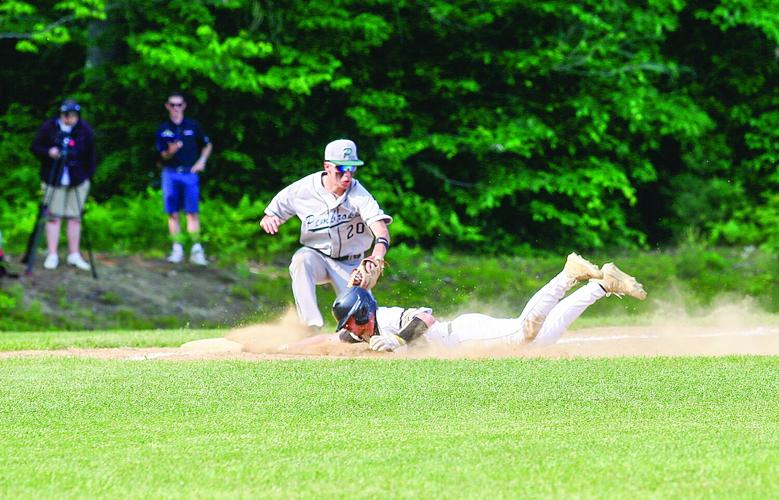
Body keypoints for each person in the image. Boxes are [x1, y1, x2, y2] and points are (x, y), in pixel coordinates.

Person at [287, 253, 647, 352]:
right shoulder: (360, 334)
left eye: (352, 321)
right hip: (466, 333)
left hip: (465, 337)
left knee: (528, 332)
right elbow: (328, 341)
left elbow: (426, 319)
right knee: (545, 337)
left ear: (364, 313)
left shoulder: (388, 319)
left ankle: (569, 274)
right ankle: (601, 286)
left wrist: (398, 339)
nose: (350, 329)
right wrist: (286, 347)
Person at [260, 139, 392, 329]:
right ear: (327, 166)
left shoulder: (359, 194)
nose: (348, 175)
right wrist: (270, 218)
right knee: (301, 259)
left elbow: (381, 229)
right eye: (342, 168)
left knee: (367, 324)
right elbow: (272, 214)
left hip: (352, 265)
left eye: (353, 168)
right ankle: (311, 326)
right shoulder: (302, 190)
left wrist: (377, 256)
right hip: (318, 258)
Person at [30, 99, 97, 271]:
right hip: (54, 179)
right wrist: (49, 153)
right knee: (54, 217)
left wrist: (87, 176)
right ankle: (52, 254)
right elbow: (35, 147)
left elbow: (91, 156)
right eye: (66, 115)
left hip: (77, 180)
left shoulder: (84, 130)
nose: (69, 119)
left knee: (75, 217)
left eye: (73, 115)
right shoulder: (49, 127)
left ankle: (74, 254)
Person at [155, 91, 213, 265]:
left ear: (184, 106)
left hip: (189, 173)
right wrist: (169, 152)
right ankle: (177, 247)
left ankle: (196, 249)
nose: (175, 108)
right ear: (167, 106)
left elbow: (207, 144)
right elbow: (161, 154)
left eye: (179, 105)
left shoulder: (192, 125)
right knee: (172, 212)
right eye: (172, 105)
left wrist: (201, 161)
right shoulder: (163, 128)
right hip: (170, 172)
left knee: (192, 212)